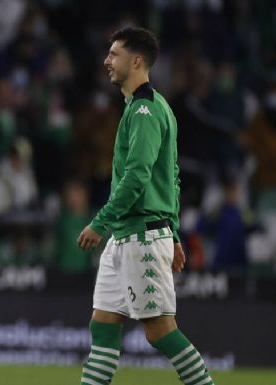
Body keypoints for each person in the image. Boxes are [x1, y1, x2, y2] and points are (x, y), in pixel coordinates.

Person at [77, 27, 215, 385]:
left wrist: (100, 222)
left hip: (139, 236)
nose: (107, 60)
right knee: (103, 325)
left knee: (159, 331)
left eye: (114, 54)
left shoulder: (144, 110)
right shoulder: (144, 107)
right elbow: (170, 175)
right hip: (128, 238)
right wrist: (175, 233)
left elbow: (138, 178)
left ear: (136, 61)